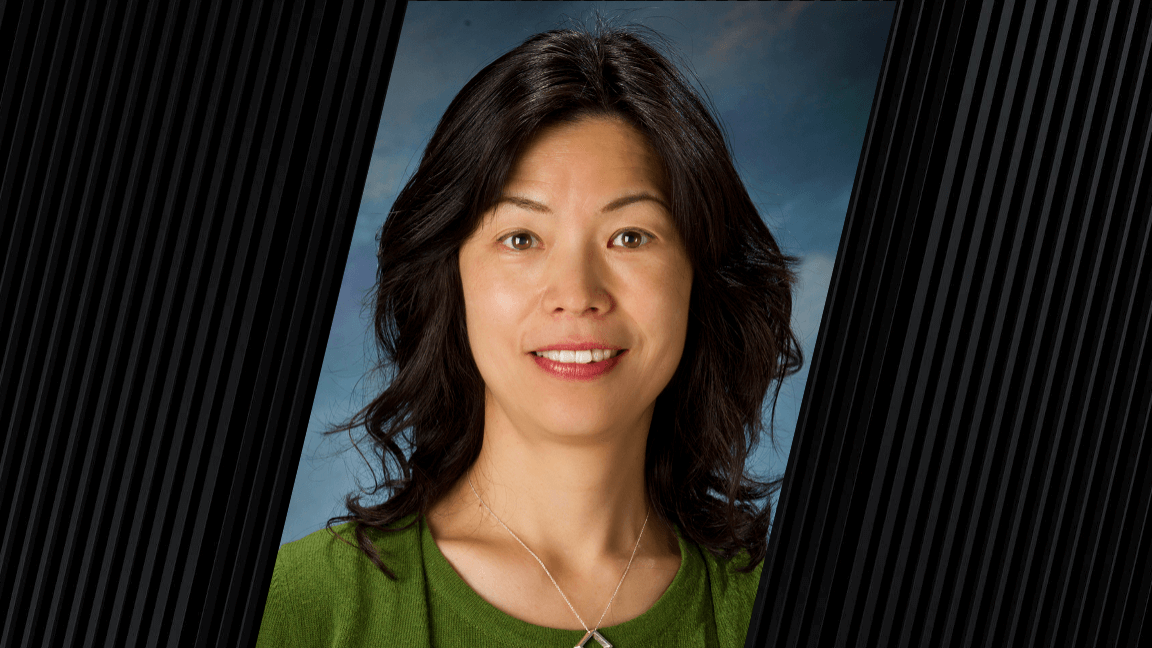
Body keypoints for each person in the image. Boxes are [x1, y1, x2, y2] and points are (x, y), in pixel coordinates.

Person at [258, 22, 802, 648]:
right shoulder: (297, 607)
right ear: (450, 277)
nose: (577, 294)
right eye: (520, 238)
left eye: (630, 236)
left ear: (700, 276)